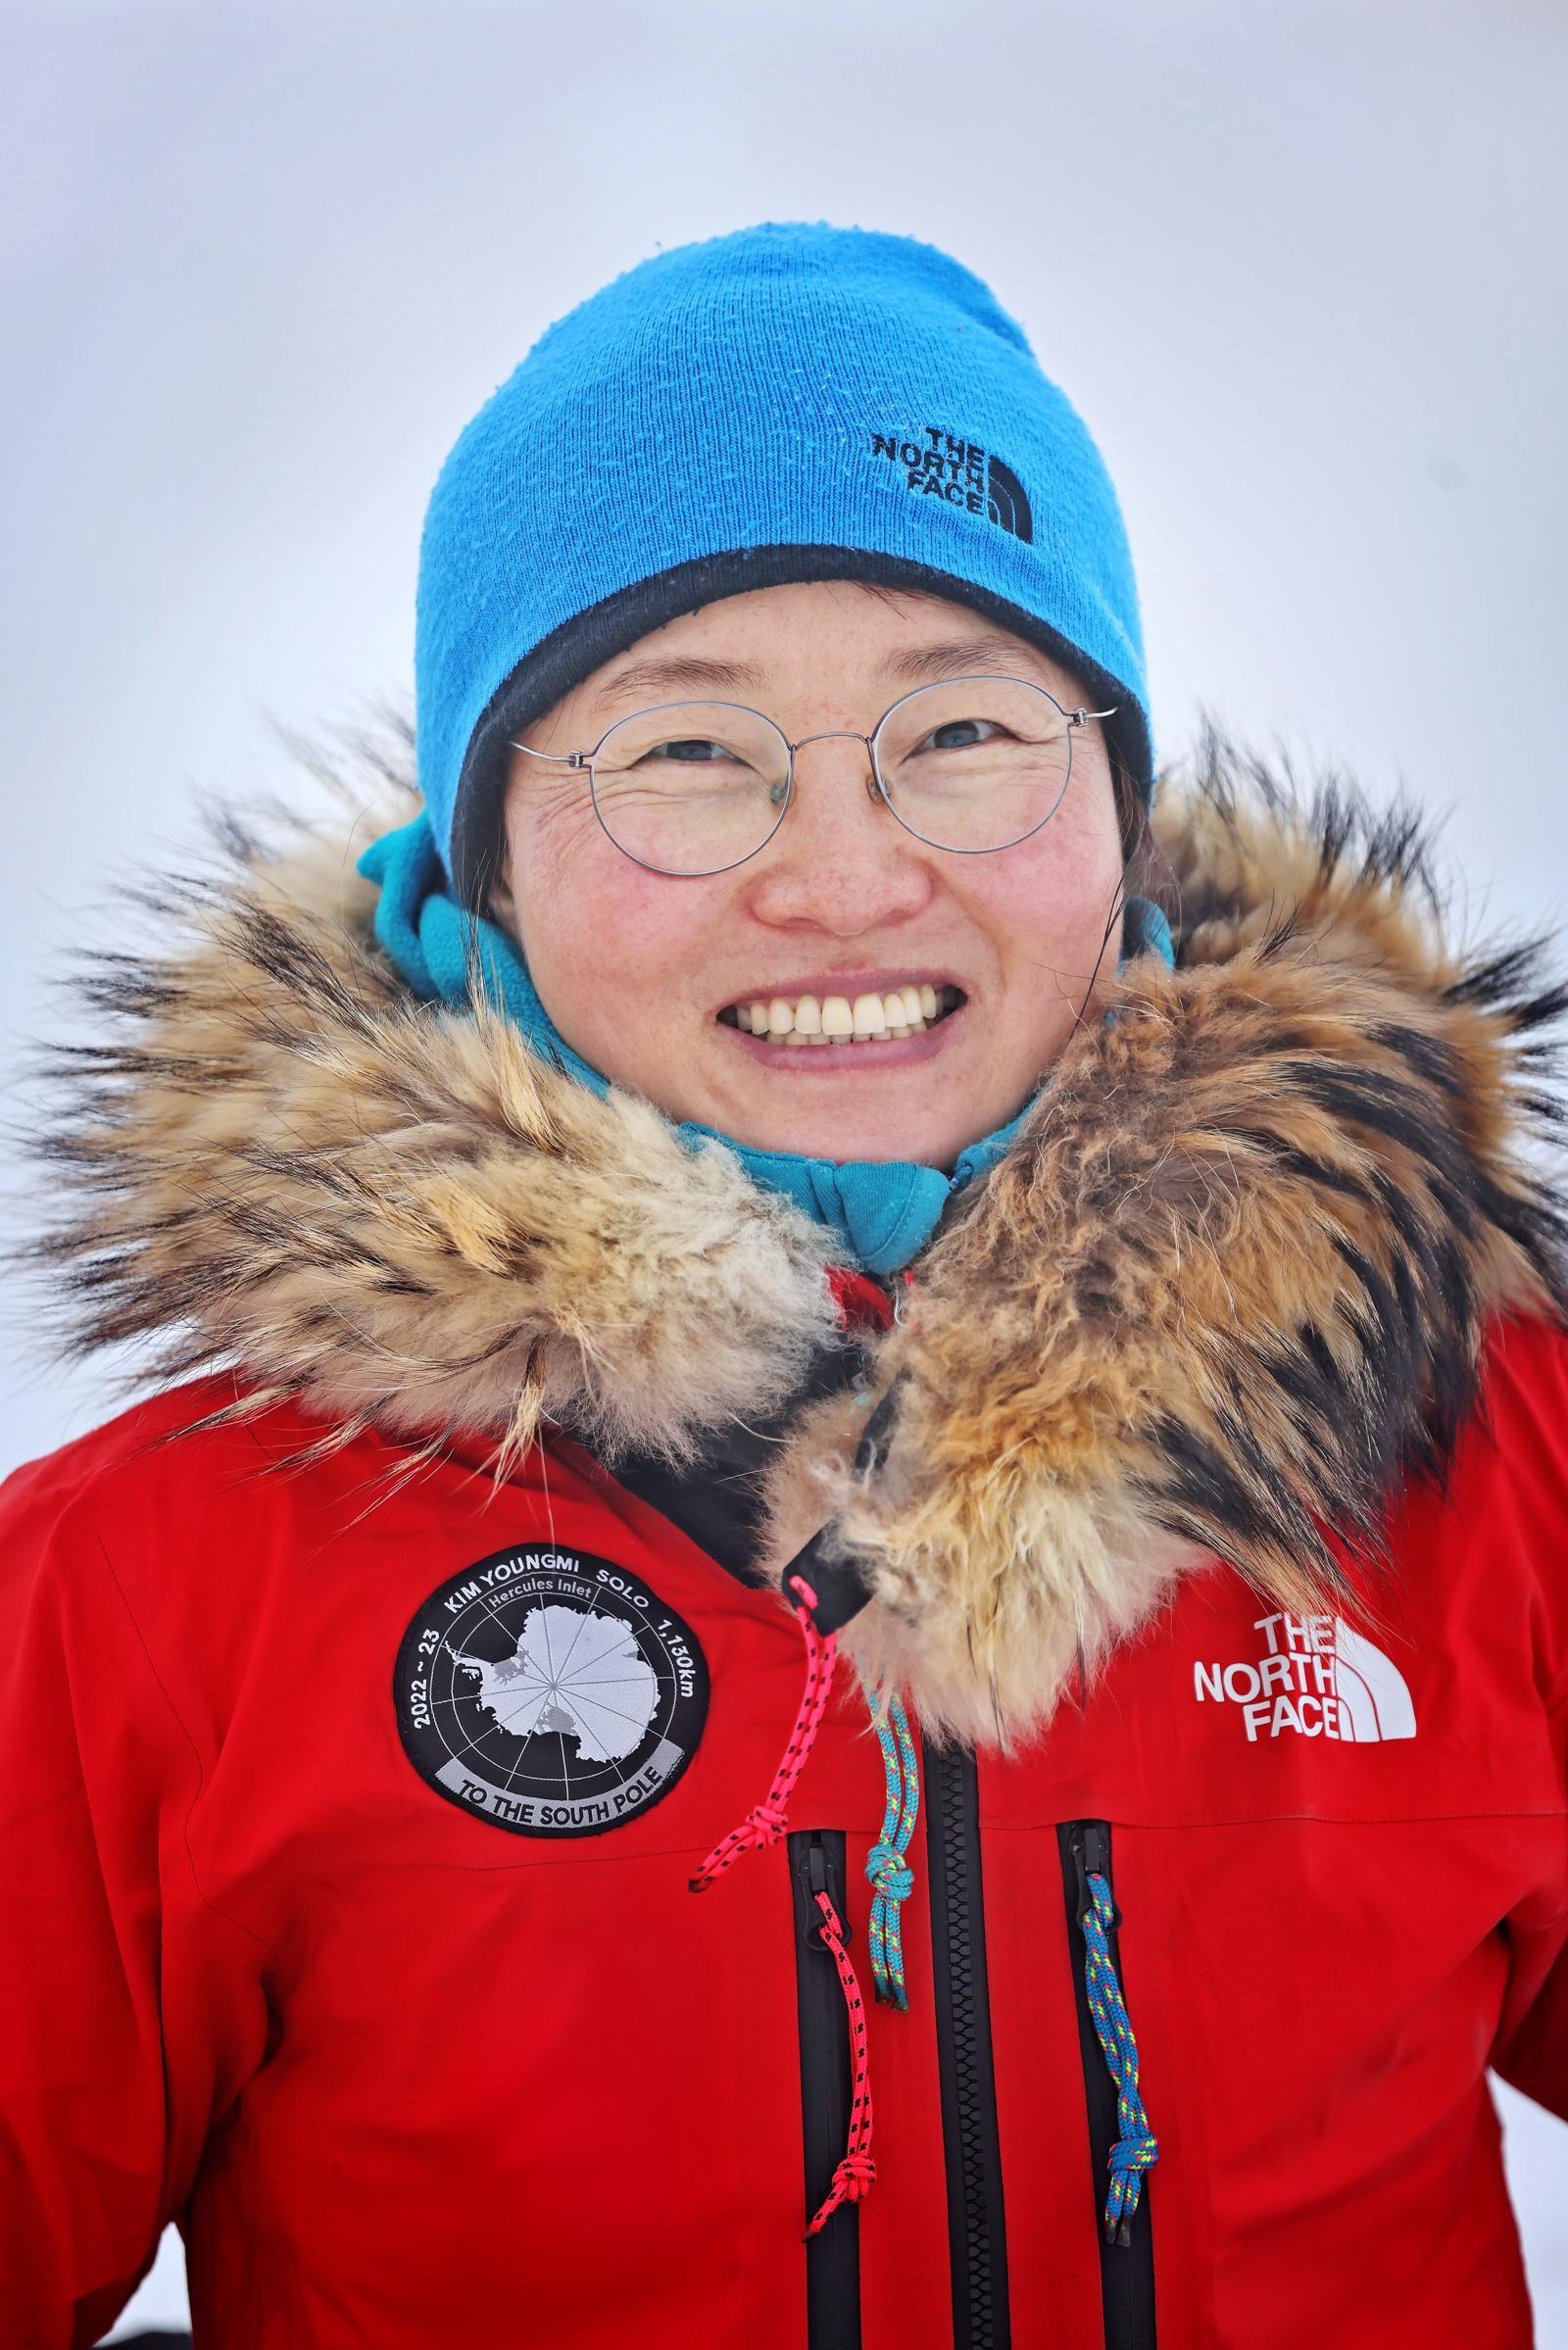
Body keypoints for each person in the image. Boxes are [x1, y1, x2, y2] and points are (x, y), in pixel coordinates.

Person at [1, 220, 1564, 2350]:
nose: (840, 876)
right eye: (683, 754)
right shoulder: (142, 1581)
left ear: (1110, 806)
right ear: (483, 864)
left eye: (960, 732)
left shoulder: (1475, 1444)